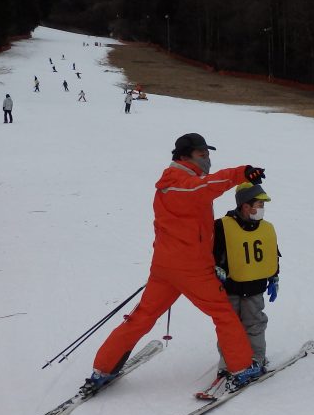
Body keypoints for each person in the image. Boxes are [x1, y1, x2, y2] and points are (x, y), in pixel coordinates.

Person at [83, 134, 267, 394]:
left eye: (208, 154)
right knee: (224, 315)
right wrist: (241, 173)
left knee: (142, 317)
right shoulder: (179, 184)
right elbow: (205, 187)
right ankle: (242, 368)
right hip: (191, 269)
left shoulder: (177, 182)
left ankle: (104, 367)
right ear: (183, 157)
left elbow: (202, 188)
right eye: (201, 155)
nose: (207, 160)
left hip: (165, 268)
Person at [212, 182, 278, 371]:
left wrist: (274, 277)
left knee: (255, 324)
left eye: (263, 206)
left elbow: (272, 253)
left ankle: (257, 359)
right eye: (259, 205)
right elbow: (211, 252)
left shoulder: (266, 228)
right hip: (230, 287)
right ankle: (229, 364)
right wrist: (216, 268)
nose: (262, 210)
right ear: (245, 206)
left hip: (255, 287)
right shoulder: (222, 226)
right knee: (230, 328)